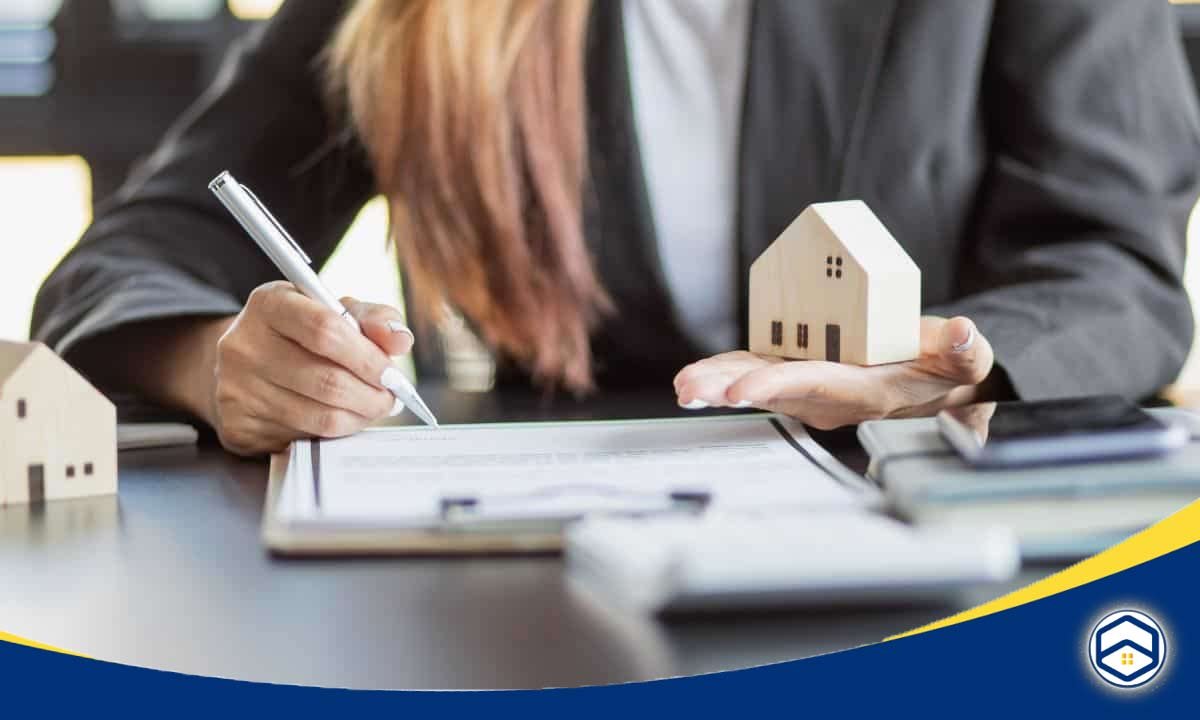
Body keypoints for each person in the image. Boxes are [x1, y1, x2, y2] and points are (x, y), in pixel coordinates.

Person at [33, 0, 1200, 455]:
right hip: (553, 551)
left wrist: (948, 362)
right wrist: (221, 364)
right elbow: (135, 256)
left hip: (924, 522)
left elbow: (1114, 267)